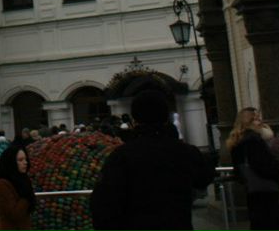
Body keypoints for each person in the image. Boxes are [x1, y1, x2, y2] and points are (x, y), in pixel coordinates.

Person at [89, 90, 215, 231]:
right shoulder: (186, 151)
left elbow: (103, 201)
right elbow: (204, 178)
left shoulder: (122, 155)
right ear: (166, 117)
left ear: (135, 118)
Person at [228, 108, 279, 231]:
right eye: (257, 119)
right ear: (250, 121)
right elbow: (263, 165)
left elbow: (238, 168)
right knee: (271, 221)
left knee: (258, 221)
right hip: (266, 188)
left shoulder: (236, 141)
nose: (261, 122)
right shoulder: (254, 140)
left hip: (251, 188)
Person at [0, 145, 35, 231]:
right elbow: (14, 214)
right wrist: (26, 196)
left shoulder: (22, 180)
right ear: (11, 162)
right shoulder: (1, 184)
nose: (25, 162)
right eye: (20, 160)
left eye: (25, 159)